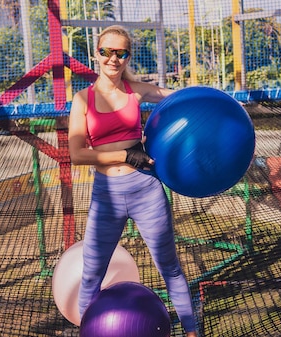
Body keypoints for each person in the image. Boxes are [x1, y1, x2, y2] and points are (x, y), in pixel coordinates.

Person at [68, 25, 198, 336]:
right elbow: (77, 154)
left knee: (169, 268)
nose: (113, 58)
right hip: (107, 195)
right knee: (91, 274)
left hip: (145, 189)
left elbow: (178, 98)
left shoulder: (136, 91)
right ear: (95, 55)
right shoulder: (82, 99)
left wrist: (212, 99)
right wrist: (125, 156)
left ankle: (192, 331)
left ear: (128, 57)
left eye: (120, 53)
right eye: (106, 52)